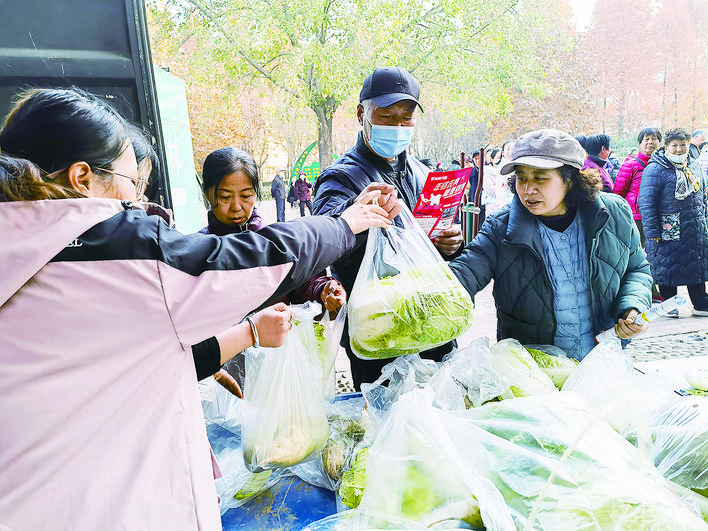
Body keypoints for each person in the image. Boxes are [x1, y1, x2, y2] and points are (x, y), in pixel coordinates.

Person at [0, 87, 393, 530]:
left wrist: (245, 334)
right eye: (132, 185)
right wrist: (346, 223)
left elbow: (124, 365)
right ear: (81, 178)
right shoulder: (120, 254)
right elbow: (263, 257)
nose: (136, 203)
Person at [313, 66, 464, 390]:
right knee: (386, 432)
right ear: (361, 114)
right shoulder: (340, 178)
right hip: (380, 337)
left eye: (405, 117)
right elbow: (327, 236)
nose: (397, 126)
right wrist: (358, 215)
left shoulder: (424, 175)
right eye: (386, 116)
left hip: (432, 331)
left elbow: (429, 246)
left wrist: (449, 244)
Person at [449, 129, 652, 360]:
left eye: (540, 178)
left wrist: (632, 307)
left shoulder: (613, 214)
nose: (528, 189)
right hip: (532, 371)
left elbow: (636, 270)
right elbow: (467, 271)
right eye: (522, 178)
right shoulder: (500, 227)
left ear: (570, 179)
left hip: (604, 359)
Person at [197, 147, 348, 387]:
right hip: (226, 371)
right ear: (207, 193)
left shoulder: (275, 243)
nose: (236, 206)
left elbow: (301, 283)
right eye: (225, 197)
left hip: (281, 366)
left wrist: (324, 290)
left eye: (246, 196)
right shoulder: (198, 251)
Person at [637, 128, 708, 316]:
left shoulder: (693, 165)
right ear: (666, 147)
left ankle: (700, 303)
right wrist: (652, 233)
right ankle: (669, 306)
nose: (679, 149)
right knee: (667, 267)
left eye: (683, 145)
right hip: (667, 229)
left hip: (694, 228)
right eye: (674, 146)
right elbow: (646, 203)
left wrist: (705, 220)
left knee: (695, 265)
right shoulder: (655, 168)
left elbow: (702, 195)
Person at [613, 127, 662, 247]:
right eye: (646, 139)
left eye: (654, 139)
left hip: (659, 215)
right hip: (637, 218)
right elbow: (617, 194)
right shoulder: (630, 166)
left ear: (659, 142)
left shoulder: (663, 165)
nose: (650, 142)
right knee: (638, 250)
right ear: (640, 143)